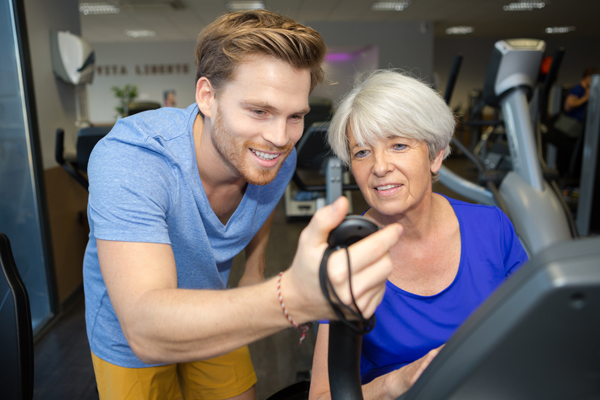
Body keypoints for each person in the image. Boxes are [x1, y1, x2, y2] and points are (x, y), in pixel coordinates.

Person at [84, 11, 403, 400]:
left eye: (295, 116)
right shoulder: (132, 159)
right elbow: (145, 329)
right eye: (259, 110)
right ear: (207, 96)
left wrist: (255, 270)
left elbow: (260, 203)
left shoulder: (274, 156)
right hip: (131, 338)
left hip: (219, 305)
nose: (279, 137)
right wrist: (292, 297)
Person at [309, 70, 529, 400]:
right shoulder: (345, 256)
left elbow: (537, 333)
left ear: (436, 155)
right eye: (362, 152)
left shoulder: (492, 228)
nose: (379, 166)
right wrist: (393, 384)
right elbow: (322, 396)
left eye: (398, 145)